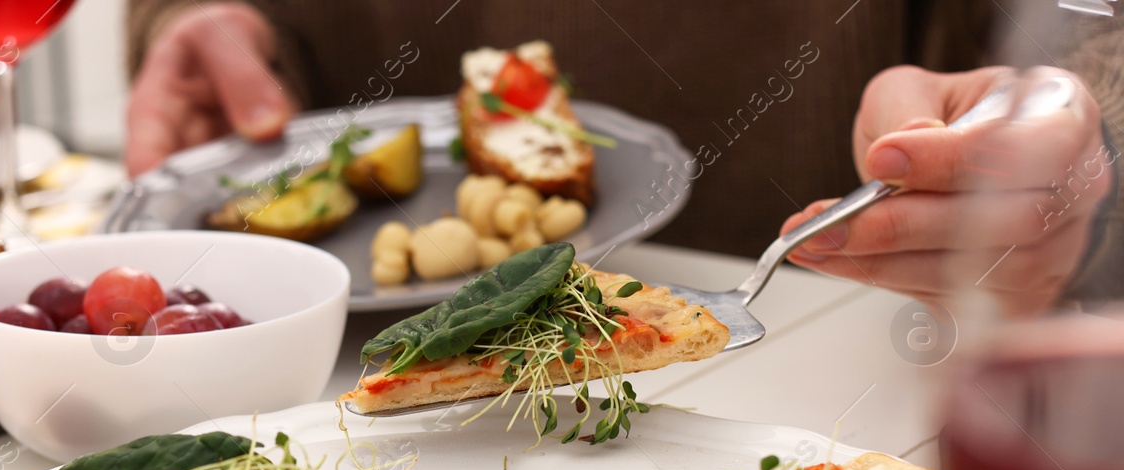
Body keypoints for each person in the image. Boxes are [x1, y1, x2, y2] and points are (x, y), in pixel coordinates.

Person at [124, 0, 1123, 312]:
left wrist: (1084, 146)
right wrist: (198, 20)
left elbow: (1089, 35)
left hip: (864, 362)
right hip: (308, 367)